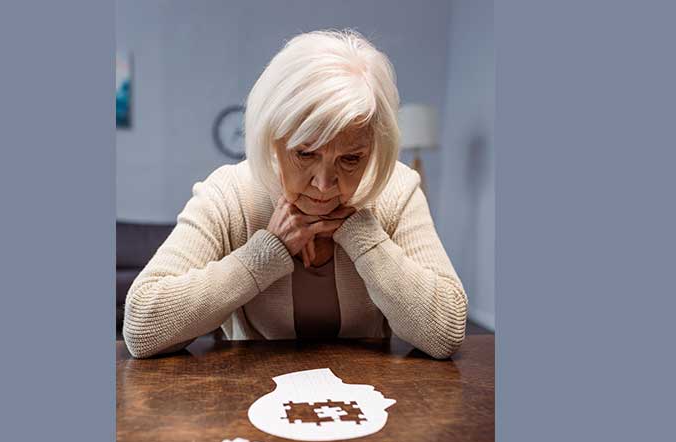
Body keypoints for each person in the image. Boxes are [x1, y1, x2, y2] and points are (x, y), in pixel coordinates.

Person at [123, 29, 467, 359]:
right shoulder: (227, 193)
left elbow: (446, 331)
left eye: (350, 159)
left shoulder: (396, 189)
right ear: (272, 138)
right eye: (305, 153)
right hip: (248, 404)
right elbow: (141, 327)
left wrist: (364, 237)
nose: (324, 184)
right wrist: (264, 254)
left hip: (369, 407)